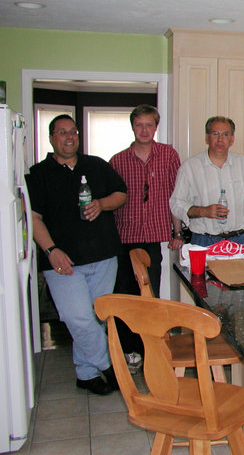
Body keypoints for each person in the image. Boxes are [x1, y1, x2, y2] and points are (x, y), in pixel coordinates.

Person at [26, 114, 127, 395]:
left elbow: (122, 193)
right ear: (51, 138)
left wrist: (101, 204)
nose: (68, 137)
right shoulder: (37, 174)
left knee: (96, 319)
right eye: (61, 132)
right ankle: (110, 367)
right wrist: (51, 250)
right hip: (62, 262)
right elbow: (34, 218)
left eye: (73, 131)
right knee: (77, 318)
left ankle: (86, 374)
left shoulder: (95, 164)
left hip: (104, 256)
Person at [109, 105, 183, 370]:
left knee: (149, 297)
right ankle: (128, 351)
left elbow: (175, 197)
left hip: (153, 238)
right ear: (132, 127)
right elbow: (111, 201)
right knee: (125, 296)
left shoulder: (168, 155)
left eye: (149, 125)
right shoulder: (117, 161)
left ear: (156, 126)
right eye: (139, 125)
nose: (144, 130)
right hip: (124, 237)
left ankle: (149, 349)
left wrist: (178, 232)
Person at [170, 116, 244, 256]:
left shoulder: (243, 164)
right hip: (204, 242)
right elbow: (176, 204)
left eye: (225, 134)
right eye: (215, 134)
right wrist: (204, 212)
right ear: (207, 137)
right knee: (207, 279)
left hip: (240, 241)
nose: (220, 139)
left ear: (232, 139)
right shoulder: (190, 167)